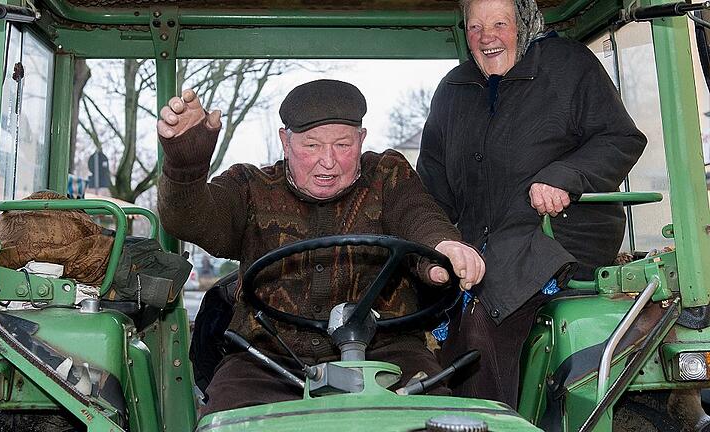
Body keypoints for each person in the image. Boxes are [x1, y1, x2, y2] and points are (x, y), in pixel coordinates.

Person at [156, 79, 485, 416]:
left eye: (342, 145)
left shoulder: (388, 176)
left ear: (361, 139)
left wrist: (443, 246)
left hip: (387, 355)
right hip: (268, 361)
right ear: (285, 141)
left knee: (434, 416)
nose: (328, 161)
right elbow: (188, 219)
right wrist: (185, 169)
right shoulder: (249, 188)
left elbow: (418, 215)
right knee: (227, 418)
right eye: (311, 146)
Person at [417, 0, 646, 408]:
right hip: (478, 240)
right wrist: (437, 245)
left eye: (499, 23)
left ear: (523, 25)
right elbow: (432, 185)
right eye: (474, 27)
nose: (486, 37)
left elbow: (621, 138)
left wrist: (565, 176)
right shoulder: (452, 90)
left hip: (557, 233)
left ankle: (487, 421)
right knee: (424, 320)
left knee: (485, 318)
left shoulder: (568, 66)